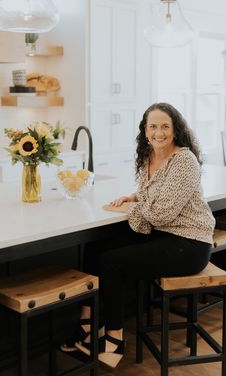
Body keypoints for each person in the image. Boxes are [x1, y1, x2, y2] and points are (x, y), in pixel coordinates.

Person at [61, 102, 215, 368]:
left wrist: (134, 206)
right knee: (97, 247)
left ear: (175, 130)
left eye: (165, 126)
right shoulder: (149, 157)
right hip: (165, 236)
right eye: (152, 126)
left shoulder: (184, 160)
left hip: (190, 244)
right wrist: (132, 196)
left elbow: (162, 213)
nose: (158, 132)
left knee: (113, 262)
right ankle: (88, 325)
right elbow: (153, 196)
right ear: (145, 131)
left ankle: (114, 342)